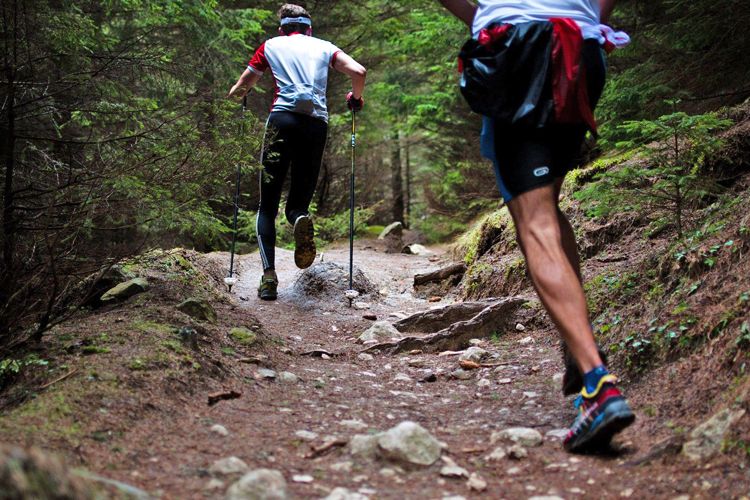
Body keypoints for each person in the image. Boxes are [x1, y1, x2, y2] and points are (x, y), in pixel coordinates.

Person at [437, 0, 634, 453]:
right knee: (548, 204)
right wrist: (591, 22)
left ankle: (596, 385)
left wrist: (483, 17)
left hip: (516, 49)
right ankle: (577, 347)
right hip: (582, 50)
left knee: (534, 219)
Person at [228, 4, 366, 301]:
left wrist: (238, 94)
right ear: (309, 29)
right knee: (297, 204)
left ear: (282, 29)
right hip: (315, 126)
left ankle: (268, 278)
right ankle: (299, 219)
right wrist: (355, 97)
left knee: (267, 205)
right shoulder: (324, 47)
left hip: (281, 121)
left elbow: (243, 85)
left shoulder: (270, 46)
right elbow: (358, 71)